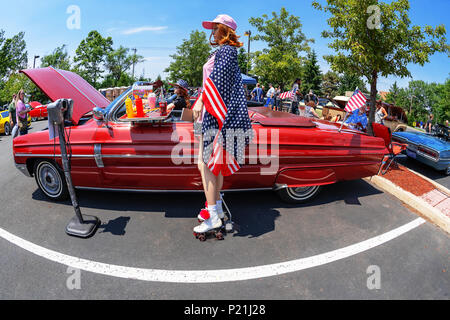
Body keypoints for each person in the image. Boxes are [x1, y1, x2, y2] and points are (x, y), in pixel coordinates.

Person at [192, 14, 252, 235]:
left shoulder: (227, 51)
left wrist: (199, 100)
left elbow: (216, 82)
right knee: (211, 164)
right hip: (208, 113)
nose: (212, 32)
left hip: (212, 114)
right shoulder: (222, 51)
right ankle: (215, 206)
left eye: (216, 28)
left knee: (206, 164)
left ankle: (213, 216)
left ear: (225, 30)